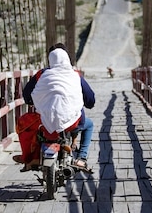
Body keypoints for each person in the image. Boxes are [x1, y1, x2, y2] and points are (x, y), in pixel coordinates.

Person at [14, 43, 95, 171]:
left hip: (44, 121)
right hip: (71, 124)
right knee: (89, 125)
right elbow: (90, 101)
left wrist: (35, 101)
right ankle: (81, 158)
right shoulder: (75, 75)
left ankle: (29, 157)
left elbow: (27, 96)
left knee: (24, 124)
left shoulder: (42, 74)